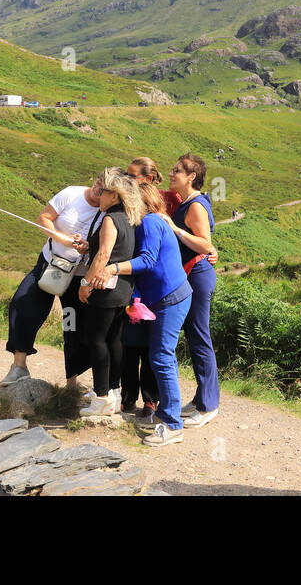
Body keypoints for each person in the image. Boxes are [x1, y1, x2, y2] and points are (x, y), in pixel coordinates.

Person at [102, 180, 193, 448]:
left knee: (162, 357)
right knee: (161, 357)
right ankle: (167, 414)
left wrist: (113, 268)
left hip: (171, 298)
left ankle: (173, 426)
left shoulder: (152, 222)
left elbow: (148, 260)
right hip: (162, 298)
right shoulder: (143, 224)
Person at [1, 176, 102, 390]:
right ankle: (19, 366)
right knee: (22, 304)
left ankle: (72, 382)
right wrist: (64, 240)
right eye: (96, 184)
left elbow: (109, 244)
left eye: (102, 190)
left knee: (72, 324)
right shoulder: (71, 193)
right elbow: (44, 218)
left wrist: (87, 247)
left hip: (78, 276)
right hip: (50, 264)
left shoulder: (108, 211)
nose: (96, 191)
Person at [75, 169, 142, 416]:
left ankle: (101, 397)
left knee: (96, 339)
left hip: (105, 288)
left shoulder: (110, 219)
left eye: (103, 191)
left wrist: (86, 284)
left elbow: (104, 255)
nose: (98, 195)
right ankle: (112, 390)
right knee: (114, 339)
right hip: (123, 288)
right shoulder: (129, 217)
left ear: (114, 196)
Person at [164, 153, 220, 428]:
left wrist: (174, 229)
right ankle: (201, 399)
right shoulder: (186, 202)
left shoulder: (195, 205)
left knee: (199, 336)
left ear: (191, 177)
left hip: (197, 275)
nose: (172, 173)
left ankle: (209, 405)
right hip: (191, 274)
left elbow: (205, 245)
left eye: (177, 170)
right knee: (194, 335)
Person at [118, 158, 164, 416]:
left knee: (146, 346)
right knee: (128, 345)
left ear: (146, 178)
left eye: (132, 175)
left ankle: (150, 399)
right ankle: (128, 397)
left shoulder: (154, 207)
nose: (128, 179)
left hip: (148, 283)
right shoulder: (127, 203)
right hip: (129, 281)